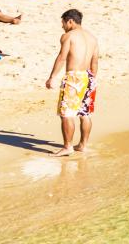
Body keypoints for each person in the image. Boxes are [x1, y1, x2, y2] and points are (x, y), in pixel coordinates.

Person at [45, 8, 98, 156]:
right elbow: (95, 62)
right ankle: (83, 145)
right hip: (89, 77)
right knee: (84, 113)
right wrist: (92, 80)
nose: (62, 26)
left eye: (63, 23)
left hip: (74, 77)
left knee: (66, 113)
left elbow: (62, 57)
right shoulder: (92, 38)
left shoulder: (68, 36)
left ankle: (68, 147)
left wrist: (52, 77)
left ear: (70, 21)